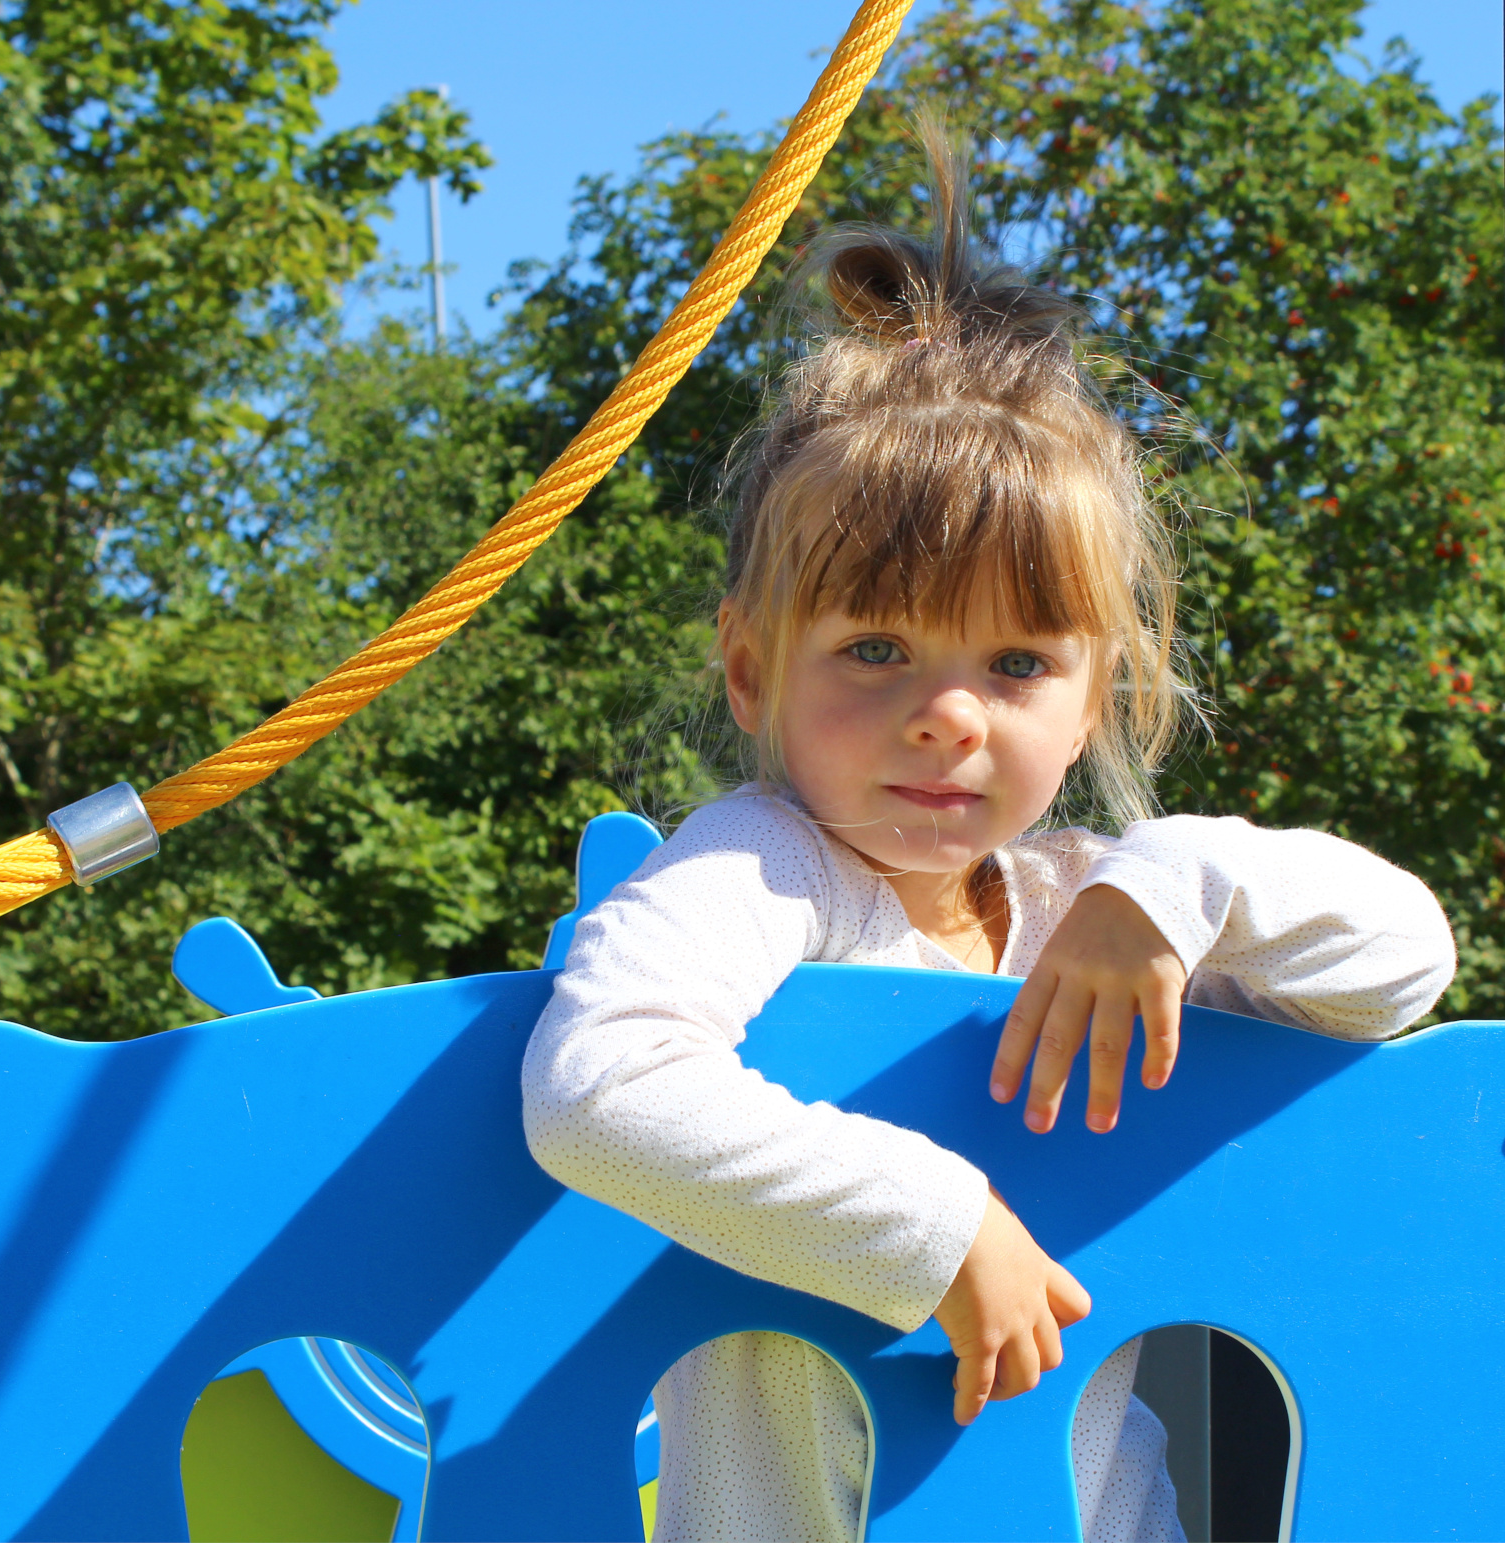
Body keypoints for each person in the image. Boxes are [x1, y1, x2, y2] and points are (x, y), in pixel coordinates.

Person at [520, 125, 1457, 1543]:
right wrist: (936, 1226)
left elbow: (1408, 964)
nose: (949, 716)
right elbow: (597, 1087)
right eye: (879, 648)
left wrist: (1181, 881)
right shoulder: (767, 865)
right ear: (753, 672)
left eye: (1018, 665)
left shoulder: (1101, 903)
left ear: (1095, 700)